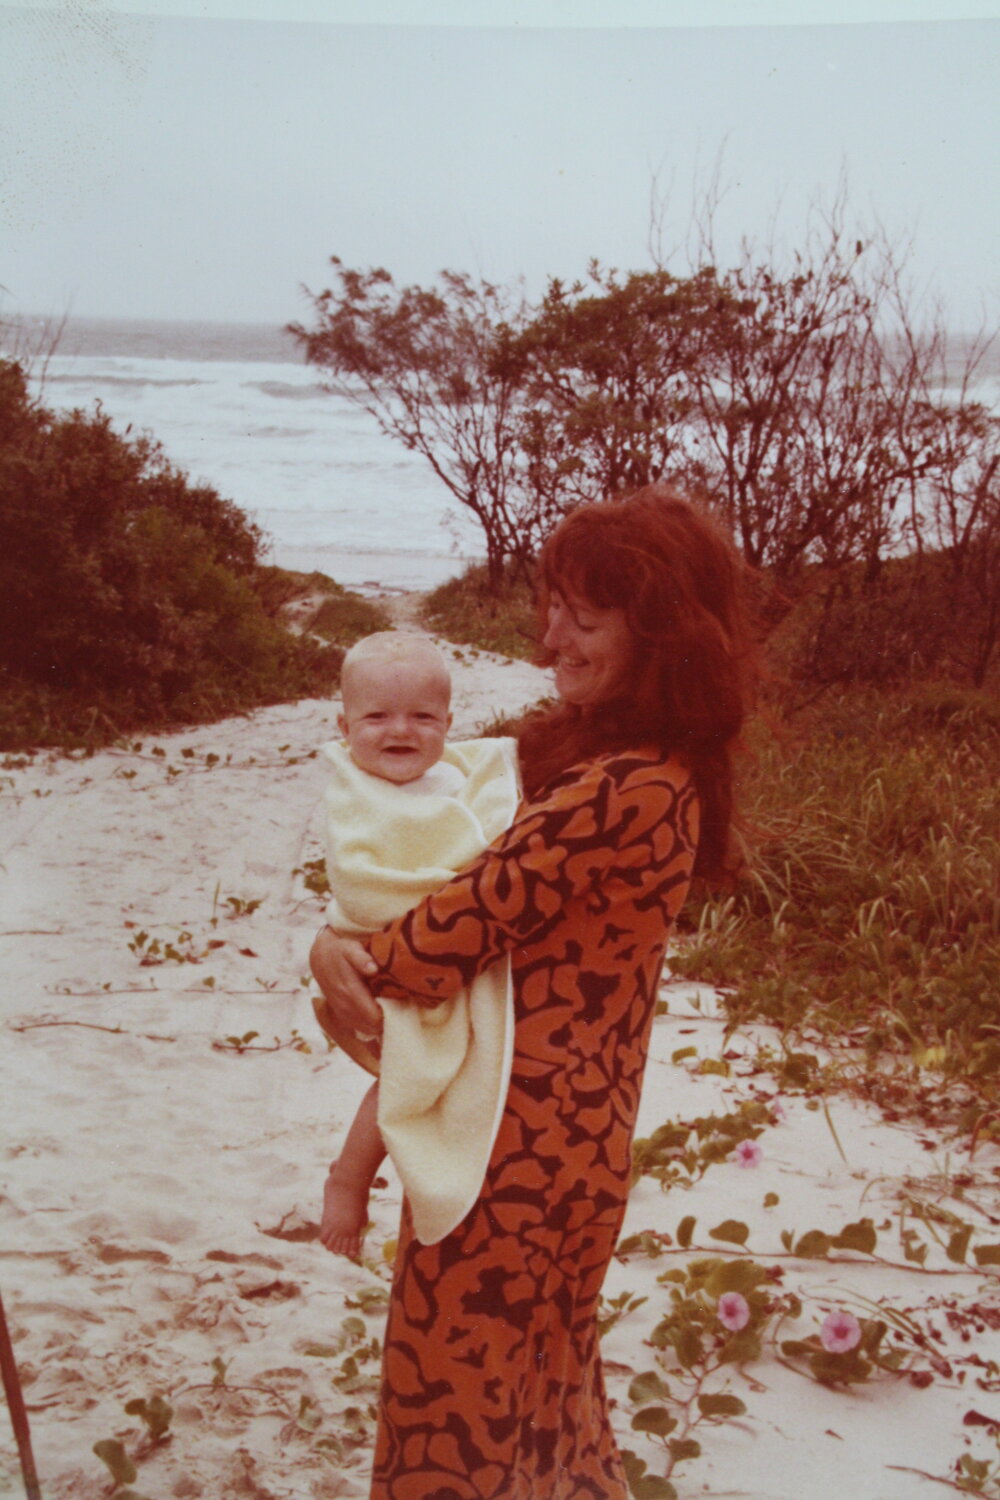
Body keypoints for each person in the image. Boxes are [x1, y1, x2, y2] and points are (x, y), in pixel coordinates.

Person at [310, 485, 754, 1500]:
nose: (549, 636)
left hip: (514, 1147)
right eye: (551, 604)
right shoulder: (593, 754)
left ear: (661, 635)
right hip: (564, 1140)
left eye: (582, 617)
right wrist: (330, 947)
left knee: (452, 1412)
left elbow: (431, 941)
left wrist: (334, 952)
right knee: (544, 1392)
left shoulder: (624, 787)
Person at [318, 631, 520, 1258]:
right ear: (344, 723)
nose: (399, 731)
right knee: (404, 1077)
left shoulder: (456, 782)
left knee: (418, 1075)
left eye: (423, 717)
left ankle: (365, 1180)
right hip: (373, 954)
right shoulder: (354, 788)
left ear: (449, 725)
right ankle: (347, 1180)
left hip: (427, 957)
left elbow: (490, 845)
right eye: (376, 716)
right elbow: (361, 876)